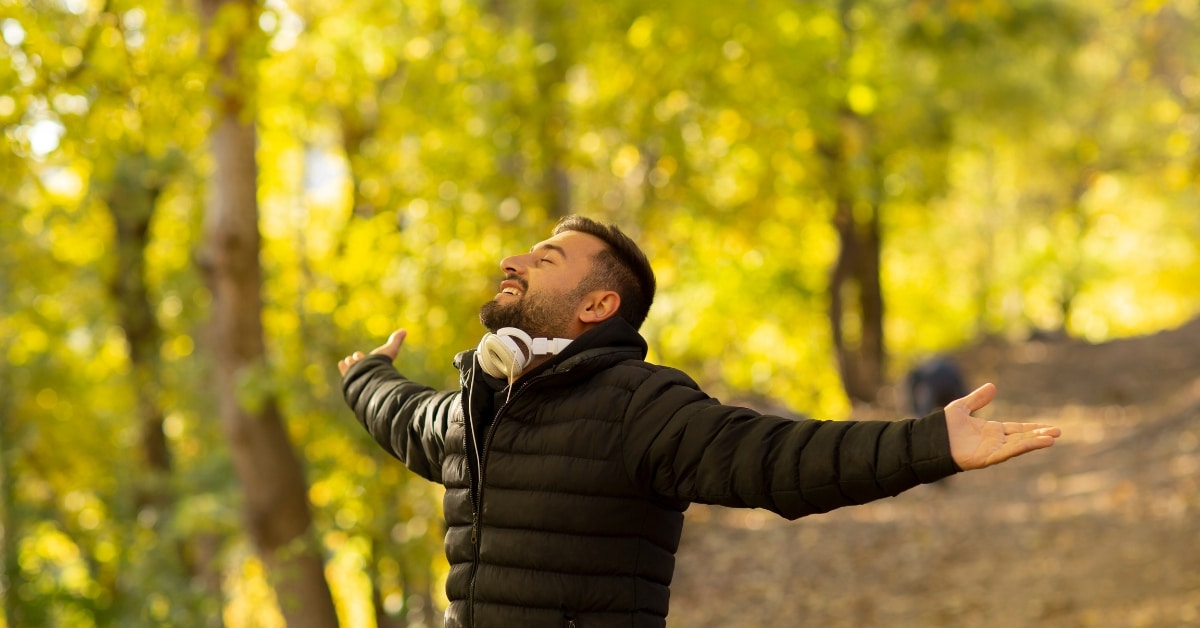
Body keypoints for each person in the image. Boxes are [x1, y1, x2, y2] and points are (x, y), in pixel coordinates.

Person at [338, 215, 1060, 628]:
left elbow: (778, 460)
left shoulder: (638, 404)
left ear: (596, 307)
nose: (513, 258)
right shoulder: (479, 403)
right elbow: (407, 416)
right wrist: (366, 376)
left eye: (545, 257)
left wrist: (930, 443)